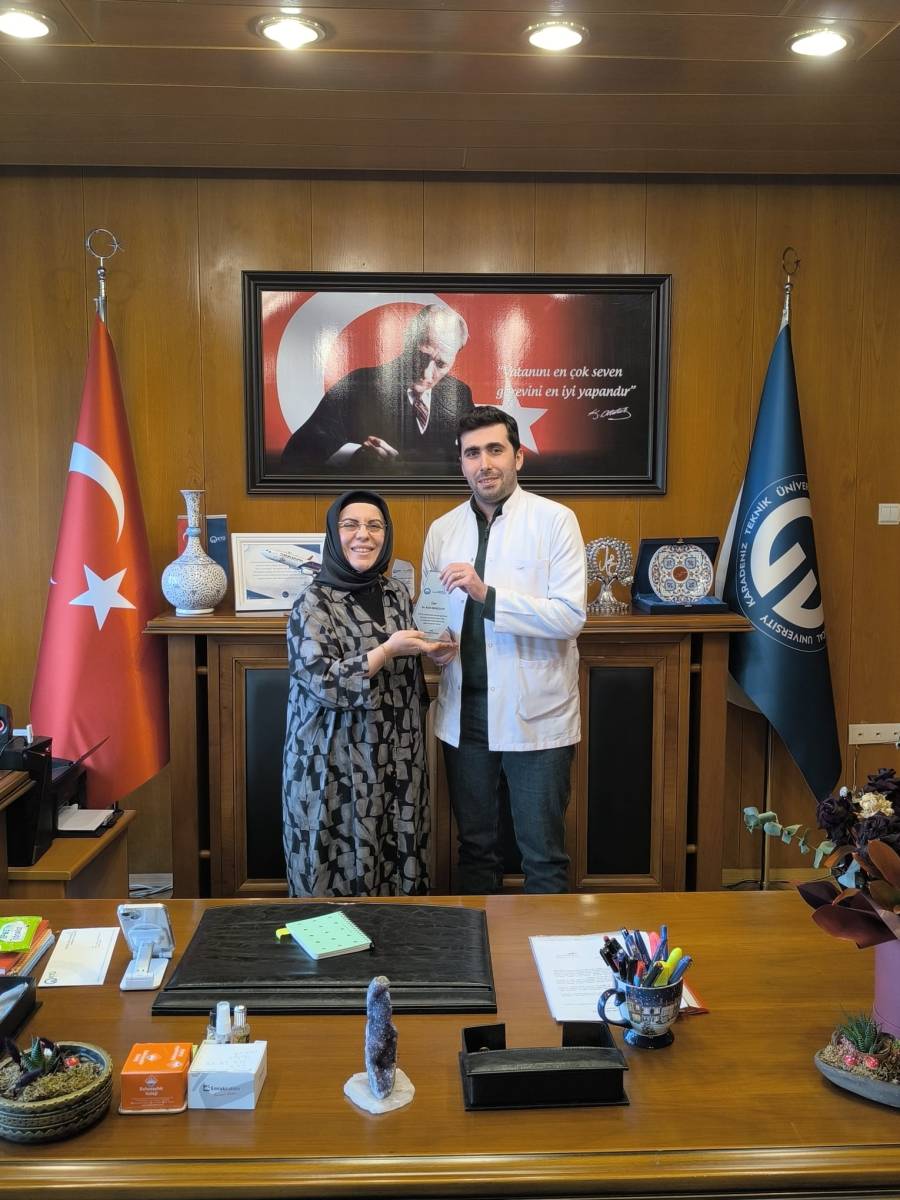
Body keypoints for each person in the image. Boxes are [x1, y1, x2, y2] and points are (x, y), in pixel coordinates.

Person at [422, 406, 587, 894]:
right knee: (475, 850)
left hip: (535, 712)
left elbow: (569, 617)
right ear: (461, 463)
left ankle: (544, 946)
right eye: (472, 453)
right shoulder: (442, 530)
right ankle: (478, 944)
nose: (484, 463)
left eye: (495, 450)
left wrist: (486, 594)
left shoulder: (555, 521)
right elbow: (431, 613)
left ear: (518, 456)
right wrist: (434, 644)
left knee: (543, 854)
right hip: (465, 712)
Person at [282, 489, 448, 896]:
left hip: (398, 757)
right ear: (333, 534)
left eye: (375, 526)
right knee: (333, 869)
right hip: (333, 762)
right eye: (350, 525)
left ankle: (397, 937)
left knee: (399, 858)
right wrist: (386, 651)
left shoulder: (395, 594)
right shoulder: (312, 603)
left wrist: (435, 652)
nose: (364, 535)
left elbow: (408, 663)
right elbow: (322, 681)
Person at [280, 304, 473, 471]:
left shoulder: (460, 394)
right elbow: (299, 449)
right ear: (408, 341)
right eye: (422, 356)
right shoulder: (357, 385)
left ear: (454, 358)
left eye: (441, 364)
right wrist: (357, 455)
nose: (426, 374)